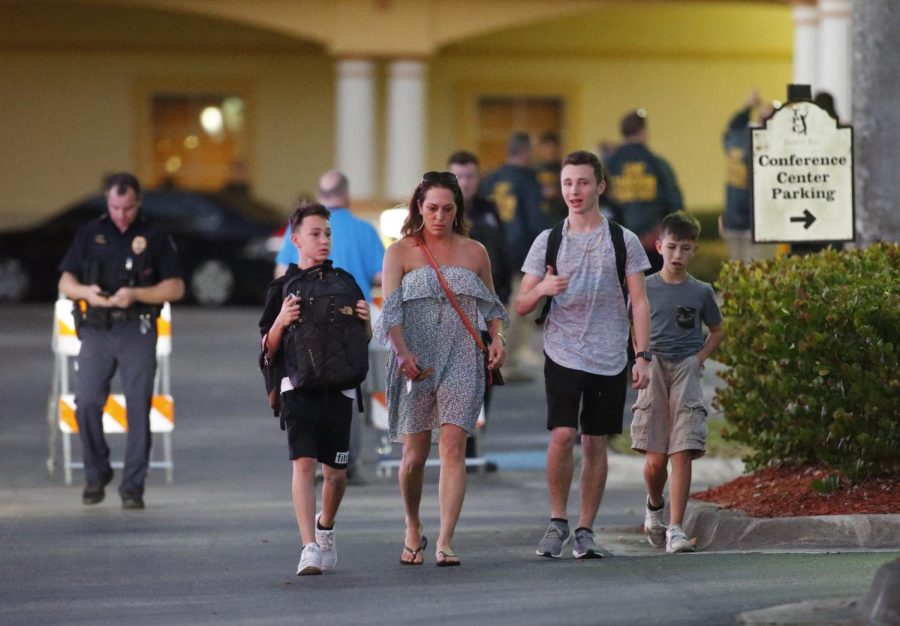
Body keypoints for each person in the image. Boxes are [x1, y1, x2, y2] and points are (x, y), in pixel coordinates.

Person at [514, 150, 651, 560]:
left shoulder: (621, 240)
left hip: (610, 353)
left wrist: (642, 355)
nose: (574, 191)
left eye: (583, 182)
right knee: (561, 434)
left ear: (600, 186)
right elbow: (521, 303)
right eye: (567, 183)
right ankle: (557, 521)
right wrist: (542, 290)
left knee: (594, 442)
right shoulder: (549, 240)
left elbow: (639, 302)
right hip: (562, 349)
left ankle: (586, 528)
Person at [376, 171, 508, 566]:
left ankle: (446, 539)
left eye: (447, 209)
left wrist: (497, 339)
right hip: (415, 359)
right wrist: (401, 353)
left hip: (463, 355)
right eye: (432, 208)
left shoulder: (475, 252)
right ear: (419, 206)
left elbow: (492, 307)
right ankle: (413, 525)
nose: (439, 216)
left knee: (453, 445)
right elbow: (390, 312)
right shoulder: (400, 252)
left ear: (457, 210)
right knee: (414, 456)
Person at [57, 172, 185, 510]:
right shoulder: (91, 232)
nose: (121, 214)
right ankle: (96, 473)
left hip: (137, 327)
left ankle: (132, 487)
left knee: (138, 405)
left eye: (128, 208)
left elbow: (175, 287)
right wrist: (86, 292)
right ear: (107, 202)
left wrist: (137, 293)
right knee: (85, 402)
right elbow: (66, 280)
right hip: (97, 328)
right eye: (115, 206)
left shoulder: (154, 235)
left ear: (138, 203)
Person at [259, 202, 371, 576]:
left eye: (327, 234)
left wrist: (366, 323)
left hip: (339, 389)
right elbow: (267, 349)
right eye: (315, 234)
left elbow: (362, 340)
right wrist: (280, 322)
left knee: (336, 475)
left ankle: (326, 528)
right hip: (298, 385)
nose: (323, 241)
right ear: (296, 240)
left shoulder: (347, 283)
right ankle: (308, 546)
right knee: (303, 464)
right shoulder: (283, 288)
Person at [273, 170, 384, 481]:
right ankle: (346, 463)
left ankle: (312, 459)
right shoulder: (365, 230)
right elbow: (381, 276)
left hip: (306, 331)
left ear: (321, 195)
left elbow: (282, 274)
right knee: (350, 395)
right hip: (350, 329)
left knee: (308, 390)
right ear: (346, 194)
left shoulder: (301, 229)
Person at [631, 211, 723, 553]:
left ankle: (676, 528)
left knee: (682, 448)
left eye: (685, 248)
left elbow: (717, 330)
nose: (677, 255)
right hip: (653, 366)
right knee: (656, 459)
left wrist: (698, 359)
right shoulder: (645, 288)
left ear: (695, 250)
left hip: (686, 369)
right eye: (671, 247)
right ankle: (655, 504)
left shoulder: (701, 291)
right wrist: (639, 357)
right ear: (659, 247)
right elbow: (631, 322)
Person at [447, 151, 511, 466]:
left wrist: (505, 294)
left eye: (470, 176)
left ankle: (472, 445)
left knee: (487, 376)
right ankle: (455, 442)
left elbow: (502, 251)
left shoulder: (488, 210)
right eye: (458, 176)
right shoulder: (444, 214)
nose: (465, 182)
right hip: (454, 311)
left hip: (487, 307)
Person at [481, 132, 547, 380]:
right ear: (527, 151)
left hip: (492, 251)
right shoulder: (528, 180)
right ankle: (507, 362)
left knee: (495, 305)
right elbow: (535, 220)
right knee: (520, 307)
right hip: (521, 252)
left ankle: (491, 355)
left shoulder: (491, 179)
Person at [604, 109, 684, 273]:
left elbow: (600, 202)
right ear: (643, 132)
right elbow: (675, 203)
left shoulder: (608, 165)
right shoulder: (657, 163)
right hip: (652, 244)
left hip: (618, 246)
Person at [719, 90, 778, 262]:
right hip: (754, 221)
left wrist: (747, 107)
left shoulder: (736, 138)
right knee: (754, 274)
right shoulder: (766, 143)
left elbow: (732, 127)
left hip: (735, 219)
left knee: (738, 274)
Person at [535, 132, 568, 223]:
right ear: (541, 149)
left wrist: (558, 193)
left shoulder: (566, 169)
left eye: (553, 147)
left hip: (562, 217)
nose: (551, 151)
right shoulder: (533, 170)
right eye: (547, 147)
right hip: (539, 219)